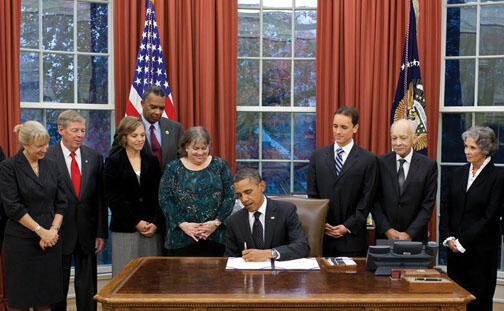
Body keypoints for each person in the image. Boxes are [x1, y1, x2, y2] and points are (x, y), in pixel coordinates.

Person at [0, 121, 66, 311]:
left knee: (45, 302)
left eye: (46, 144)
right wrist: (40, 231)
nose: (45, 149)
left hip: (49, 244)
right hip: (21, 244)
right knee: (21, 302)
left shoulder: (52, 165)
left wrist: (52, 231)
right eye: (39, 146)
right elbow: (13, 207)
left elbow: (62, 202)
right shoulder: (8, 167)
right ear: (25, 145)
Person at [46, 110, 108, 311]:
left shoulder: (95, 157)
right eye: (75, 130)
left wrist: (101, 232)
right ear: (61, 130)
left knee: (87, 287)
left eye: (82, 130)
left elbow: (100, 198)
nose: (80, 134)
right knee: (58, 286)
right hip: (59, 232)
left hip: (87, 232)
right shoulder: (47, 157)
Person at [440, 126, 503, 311]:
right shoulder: (458, 174)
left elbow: (489, 217)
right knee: (455, 303)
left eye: (472, 148)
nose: (467, 151)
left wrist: (462, 242)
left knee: (478, 303)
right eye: (466, 147)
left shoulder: (497, 178)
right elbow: (446, 208)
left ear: (484, 150)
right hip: (455, 253)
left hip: (481, 255)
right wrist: (449, 238)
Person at [307, 106, 377, 257]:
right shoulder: (317, 157)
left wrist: (347, 227)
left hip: (353, 240)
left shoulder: (368, 160)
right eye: (335, 126)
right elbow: (313, 196)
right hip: (323, 239)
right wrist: (321, 223)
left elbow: (367, 199)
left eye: (344, 127)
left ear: (355, 128)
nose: (338, 132)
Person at [159, 126, 234, 256]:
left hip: (215, 235)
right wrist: (183, 225)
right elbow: (165, 199)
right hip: (181, 237)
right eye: (195, 148)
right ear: (186, 147)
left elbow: (230, 196)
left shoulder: (220, 165)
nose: (200, 153)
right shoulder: (173, 168)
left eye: (204, 148)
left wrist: (216, 223)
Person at [104, 116, 164, 276]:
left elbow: (161, 195)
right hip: (125, 230)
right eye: (134, 135)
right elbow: (112, 198)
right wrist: (135, 222)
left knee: (150, 277)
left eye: (142, 135)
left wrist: (155, 222)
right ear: (124, 137)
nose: (140, 139)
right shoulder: (113, 161)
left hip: (151, 230)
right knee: (125, 277)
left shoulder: (151, 161)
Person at [373, 119, 437, 243]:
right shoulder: (380, 163)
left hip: (415, 238)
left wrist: (410, 233)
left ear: (414, 138)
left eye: (403, 138)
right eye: (394, 138)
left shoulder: (428, 166)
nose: (398, 143)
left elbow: (427, 205)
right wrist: (387, 230)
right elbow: (374, 200)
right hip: (385, 237)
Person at [225, 168, 310, 261]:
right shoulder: (234, 221)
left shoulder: (286, 211)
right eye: (239, 195)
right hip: (248, 274)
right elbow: (230, 258)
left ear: (262, 186)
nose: (244, 199)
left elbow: (302, 247)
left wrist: (270, 253)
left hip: (280, 274)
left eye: (248, 192)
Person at [111, 86, 184, 170]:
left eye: (161, 108)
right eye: (153, 107)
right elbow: (114, 159)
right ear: (142, 104)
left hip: (168, 181)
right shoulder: (127, 127)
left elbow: (183, 159)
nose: (157, 112)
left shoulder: (175, 128)